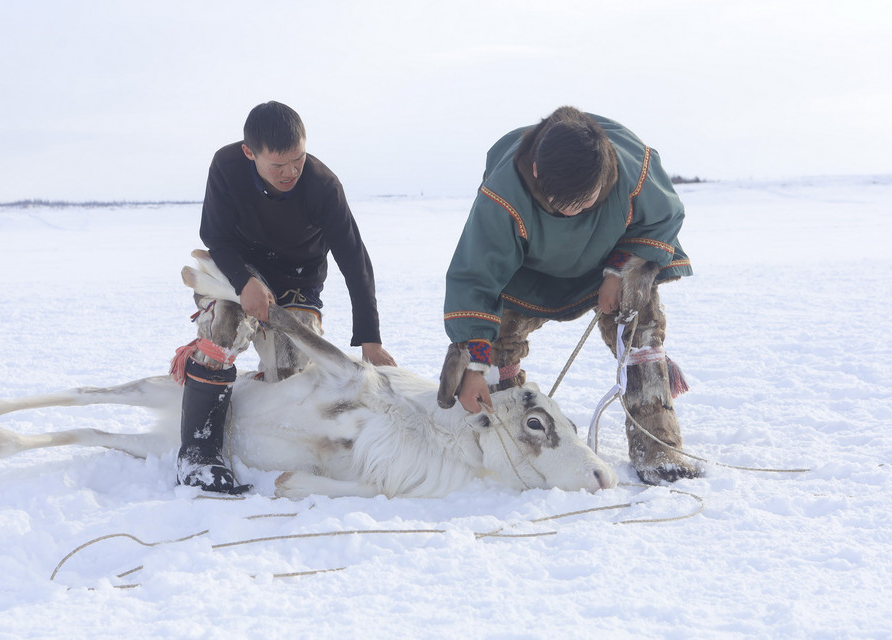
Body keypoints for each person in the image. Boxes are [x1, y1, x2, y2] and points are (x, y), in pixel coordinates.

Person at [437, 105, 699, 484]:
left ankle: (657, 444)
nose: (573, 212)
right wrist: (473, 365)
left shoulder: (634, 167)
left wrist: (619, 270)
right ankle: (517, 444)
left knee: (639, 329)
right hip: (528, 277)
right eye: (563, 204)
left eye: (585, 202)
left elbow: (663, 218)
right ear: (539, 173)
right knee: (494, 354)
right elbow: (476, 275)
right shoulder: (502, 194)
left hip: (606, 264)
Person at [174, 101, 396, 493]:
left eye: (298, 160)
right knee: (224, 326)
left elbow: (355, 261)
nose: (291, 172)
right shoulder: (226, 165)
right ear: (249, 153)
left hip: (298, 280)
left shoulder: (323, 186)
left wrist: (370, 339)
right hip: (237, 266)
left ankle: (268, 436)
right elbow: (215, 234)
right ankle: (198, 453)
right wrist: (244, 282)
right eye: (278, 166)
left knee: (291, 366)